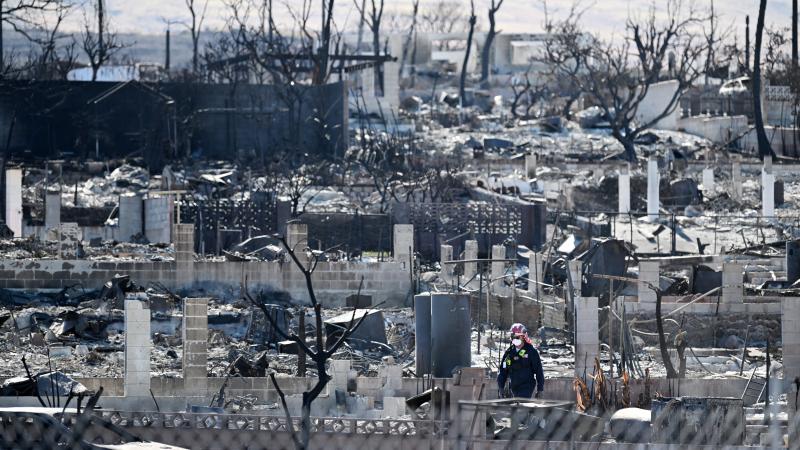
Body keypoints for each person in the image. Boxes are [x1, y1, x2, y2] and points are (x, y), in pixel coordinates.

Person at [497, 323, 544, 399]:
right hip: (513, 386)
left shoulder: (531, 351)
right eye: (513, 337)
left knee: (521, 406)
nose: (515, 339)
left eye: (518, 337)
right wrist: (501, 388)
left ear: (523, 337)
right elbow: (503, 370)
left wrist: (540, 390)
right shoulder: (509, 353)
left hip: (527, 386)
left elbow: (539, 371)